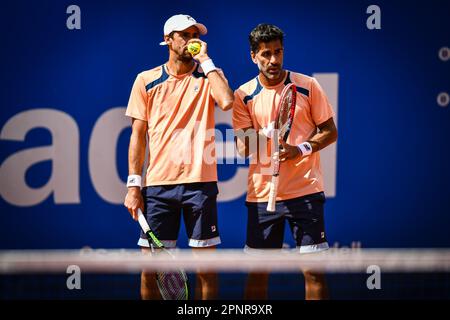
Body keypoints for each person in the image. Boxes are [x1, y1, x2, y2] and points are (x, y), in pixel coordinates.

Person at [124, 14, 234, 300]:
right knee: (150, 271)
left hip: (201, 185)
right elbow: (138, 136)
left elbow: (226, 101)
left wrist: (207, 62)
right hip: (159, 187)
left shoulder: (209, 74)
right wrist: (133, 186)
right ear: (168, 41)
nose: (190, 40)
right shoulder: (145, 81)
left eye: (194, 34)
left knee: (206, 272)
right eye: (183, 35)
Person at [232, 23, 338, 300]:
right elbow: (243, 149)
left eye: (278, 52)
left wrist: (299, 149)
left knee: (313, 272)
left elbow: (330, 132)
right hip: (262, 196)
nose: (274, 60)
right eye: (266, 54)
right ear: (253, 56)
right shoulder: (243, 95)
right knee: (258, 272)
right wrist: (265, 134)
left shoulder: (307, 86)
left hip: (305, 192)